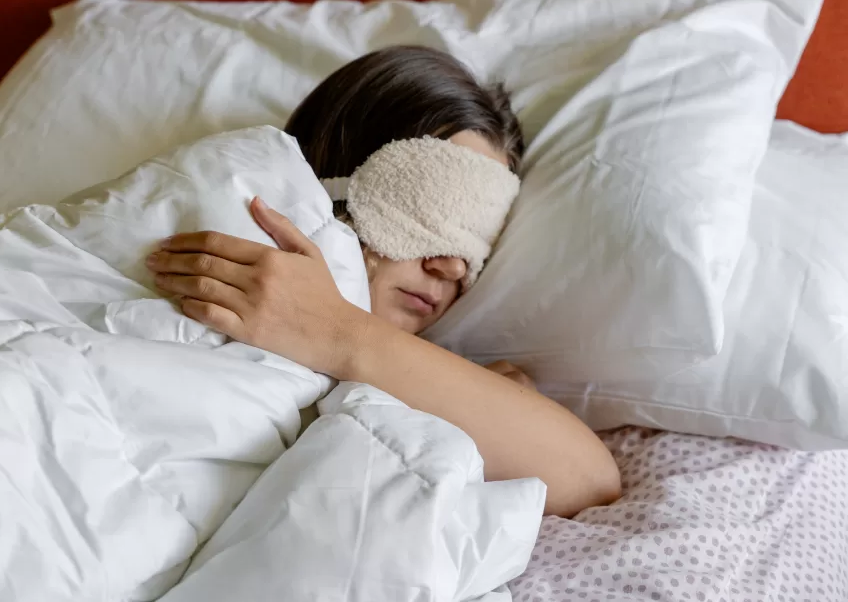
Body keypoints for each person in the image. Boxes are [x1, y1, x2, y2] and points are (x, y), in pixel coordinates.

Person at [145, 46, 621, 518]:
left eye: (478, 240)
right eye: (434, 207)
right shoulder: (204, 231)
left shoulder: (407, 370)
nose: (452, 268)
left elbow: (590, 483)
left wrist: (337, 333)